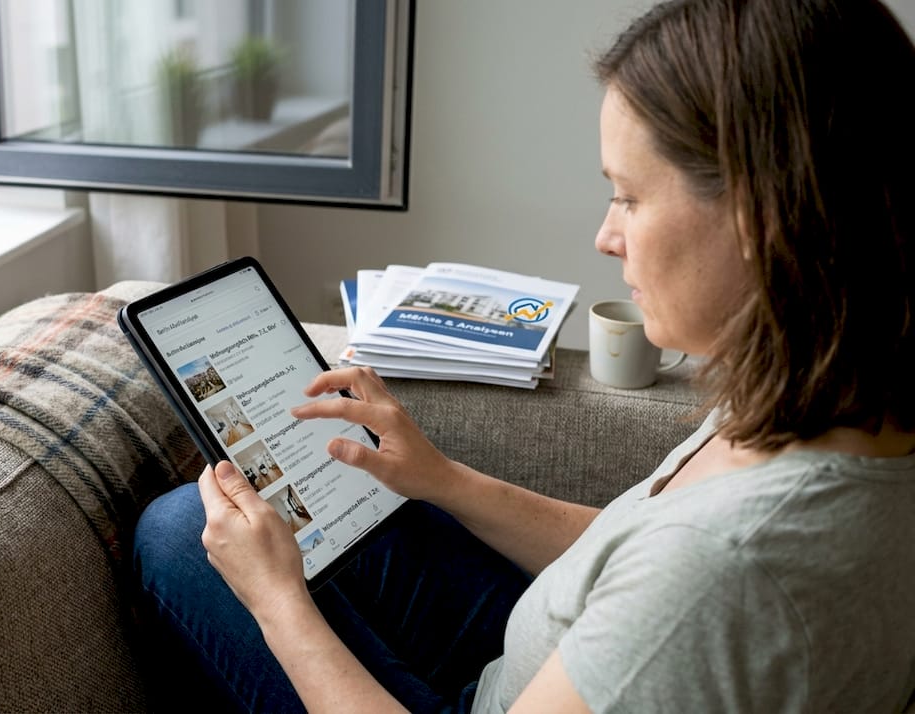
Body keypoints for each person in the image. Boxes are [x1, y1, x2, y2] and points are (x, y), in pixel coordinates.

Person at [133, 0, 915, 710]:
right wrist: (440, 479)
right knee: (325, 511)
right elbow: (629, 548)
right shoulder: (833, 399)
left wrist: (276, 604)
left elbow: (678, 574)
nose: (606, 236)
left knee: (182, 539)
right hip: (551, 651)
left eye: (630, 197)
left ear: (763, 215)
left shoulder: (721, 572)